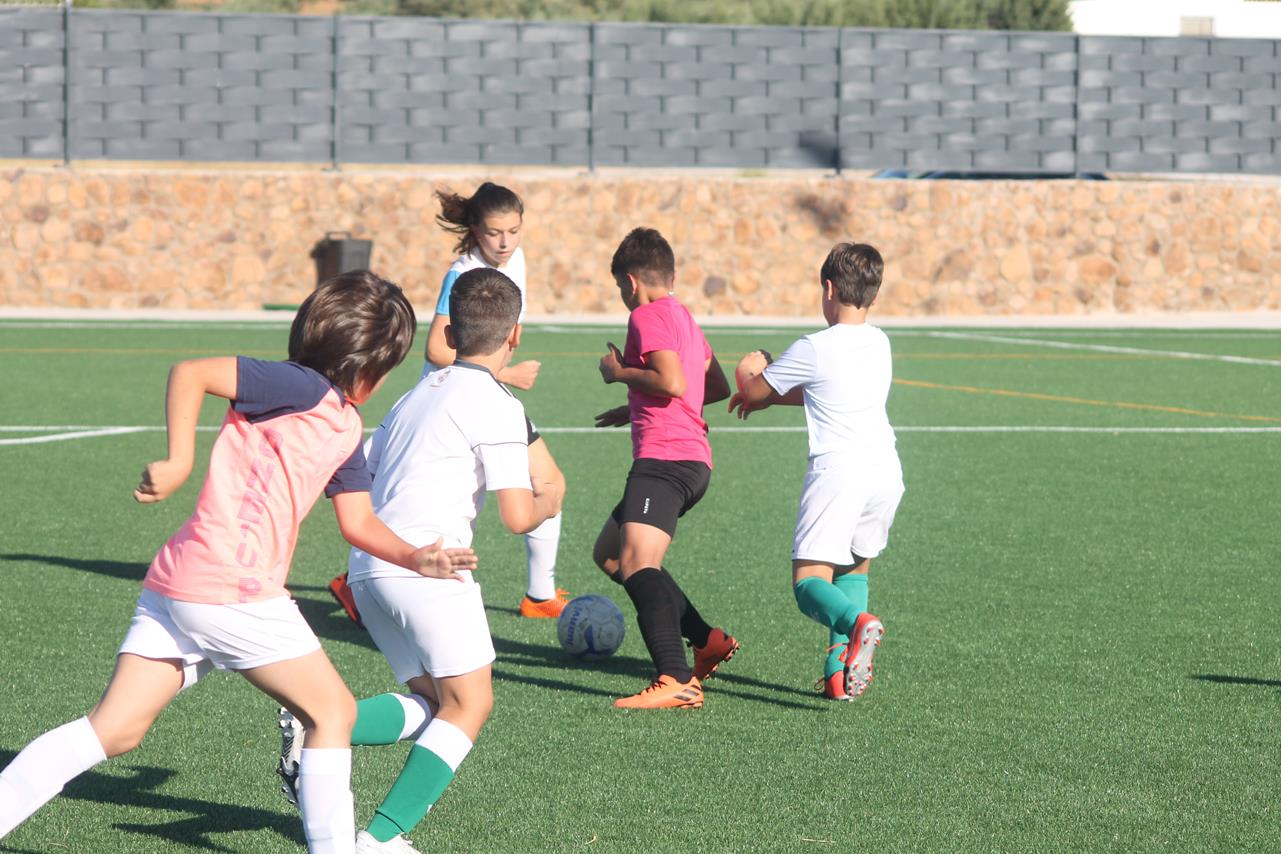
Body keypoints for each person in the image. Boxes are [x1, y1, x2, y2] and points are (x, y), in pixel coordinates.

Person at [0, 271, 478, 853]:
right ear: (368, 368)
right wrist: (179, 461)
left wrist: (415, 557)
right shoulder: (299, 386)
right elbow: (191, 372)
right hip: (233, 590)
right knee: (331, 713)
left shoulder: (346, 425)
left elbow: (357, 522)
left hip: (180, 584)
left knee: (115, 729)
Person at [279, 269, 563, 854]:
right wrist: (549, 502)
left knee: (437, 702)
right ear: (515, 335)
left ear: (450, 333)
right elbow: (517, 515)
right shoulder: (498, 403)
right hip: (431, 566)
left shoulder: (414, 396)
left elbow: (361, 470)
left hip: (370, 567)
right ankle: (383, 837)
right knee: (471, 703)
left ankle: (322, 725)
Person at [327, 182, 568, 625]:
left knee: (545, 480)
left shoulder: (514, 261)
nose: (505, 242)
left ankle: (539, 593)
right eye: (494, 232)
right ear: (475, 230)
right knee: (417, 499)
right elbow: (439, 348)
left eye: (514, 231)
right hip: (452, 398)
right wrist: (507, 374)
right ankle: (354, 576)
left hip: (481, 393)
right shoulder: (463, 274)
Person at [729, 242, 904, 701]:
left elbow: (754, 390)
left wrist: (751, 367)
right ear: (873, 293)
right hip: (885, 471)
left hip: (839, 472)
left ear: (828, 288)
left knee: (809, 584)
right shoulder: (880, 342)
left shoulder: (814, 346)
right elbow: (823, 390)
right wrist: (769, 394)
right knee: (852, 570)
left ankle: (858, 623)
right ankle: (838, 676)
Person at [592, 227, 738, 710]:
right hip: (690, 458)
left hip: (666, 459)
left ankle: (675, 678)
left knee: (638, 563)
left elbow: (672, 381)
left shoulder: (647, 314)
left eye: (620, 287)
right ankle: (706, 639)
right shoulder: (684, 317)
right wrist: (636, 404)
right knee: (611, 554)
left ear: (630, 282)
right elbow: (713, 386)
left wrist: (620, 374)